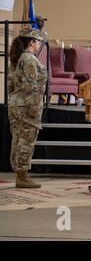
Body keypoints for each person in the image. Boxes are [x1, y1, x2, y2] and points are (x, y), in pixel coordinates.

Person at [8, 28, 47, 188]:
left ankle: (20, 174)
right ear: (32, 42)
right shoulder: (29, 59)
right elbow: (30, 86)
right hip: (27, 106)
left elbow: (10, 83)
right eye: (38, 41)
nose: (39, 44)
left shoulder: (18, 58)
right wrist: (32, 107)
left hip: (17, 104)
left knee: (18, 139)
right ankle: (22, 176)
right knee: (26, 140)